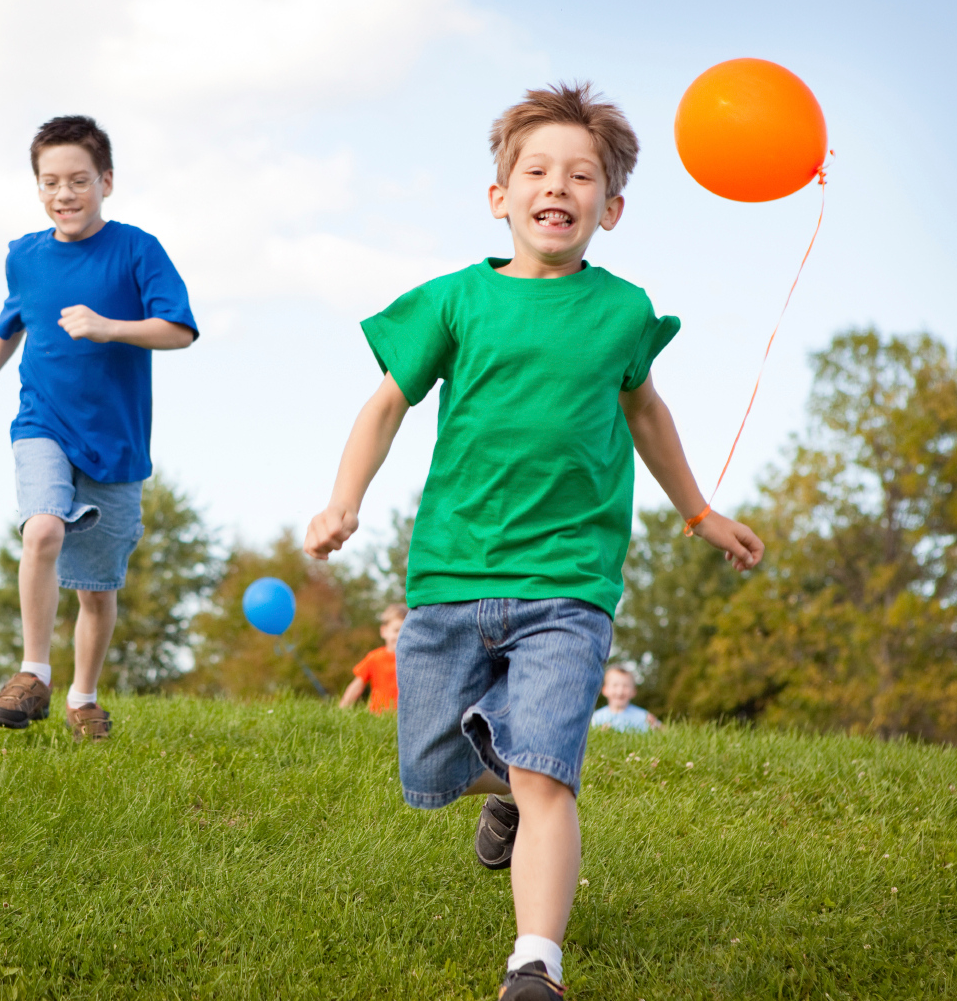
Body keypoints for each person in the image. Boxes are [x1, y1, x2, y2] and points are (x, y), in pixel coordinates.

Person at [304, 82, 763, 999]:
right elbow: (386, 402)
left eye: (583, 175)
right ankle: (506, 788)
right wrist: (344, 500)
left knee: (550, 770)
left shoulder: (623, 311)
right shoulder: (454, 301)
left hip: (570, 583)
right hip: (450, 575)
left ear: (612, 206)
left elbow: (647, 410)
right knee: (433, 764)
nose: (560, 186)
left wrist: (698, 510)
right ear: (500, 196)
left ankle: (535, 962)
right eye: (539, 170)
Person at [0, 116, 196, 742]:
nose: (65, 194)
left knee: (95, 588)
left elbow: (180, 330)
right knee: (42, 529)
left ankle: (83, 699)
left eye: (79, 180)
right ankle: (33, 673)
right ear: (37, 187)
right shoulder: (24, 257)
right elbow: (10, 324)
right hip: (42, 424)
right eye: (50, 182)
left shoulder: (138, 250)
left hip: (115, 443)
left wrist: (111, 326)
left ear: (105, 182)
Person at [340, 604, 406, 714]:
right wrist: (343, 708)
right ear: (384, 631)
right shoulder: (375, 658)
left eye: (404, 631)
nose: (400, 636)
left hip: (404, 717)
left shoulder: (413, 660)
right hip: (377, 715)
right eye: (396, 630)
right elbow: (357, 685)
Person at [590, 666, 662, 732]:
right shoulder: (597, 717)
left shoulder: (643, 716)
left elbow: (664, 731)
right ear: (605, 690)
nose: (620, 691)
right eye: (615, 685)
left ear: (633, 691)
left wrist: (655, 726)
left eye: (625, 686)